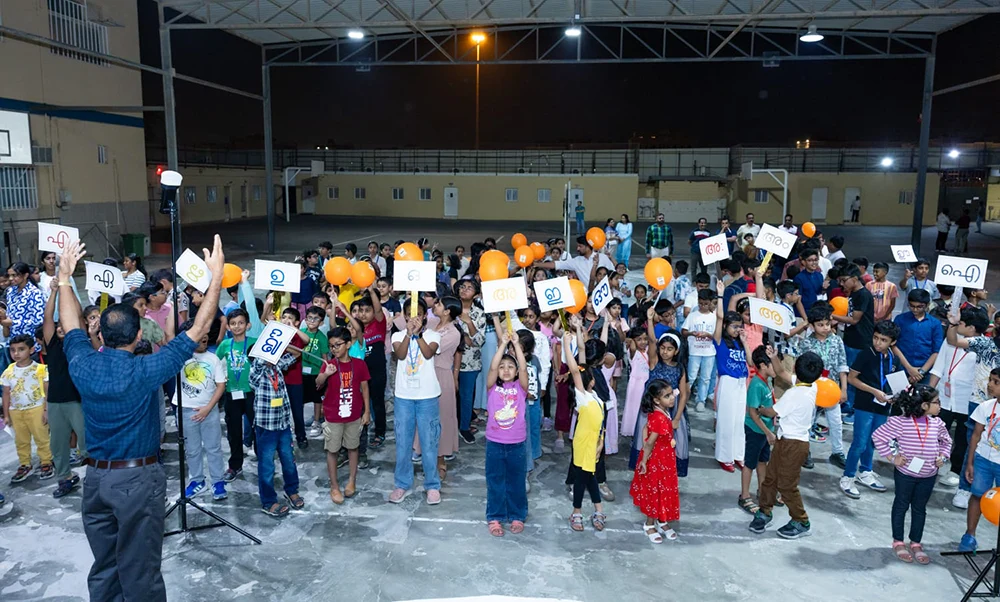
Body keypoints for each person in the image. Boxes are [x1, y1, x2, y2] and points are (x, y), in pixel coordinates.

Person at [56, 236, 224, 602]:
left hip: (95, 480)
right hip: (136, 481)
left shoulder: (83, 364)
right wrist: (215, 280)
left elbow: (70, 325)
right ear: (137, 335)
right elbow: (198, 330)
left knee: (105, 567)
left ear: (101, 333)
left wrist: (65, 278)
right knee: (140, 570)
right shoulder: (146, 370)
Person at [871, 384, 950, 564]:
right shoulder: (901, 422)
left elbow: (946, 442)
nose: (940, 406)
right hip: (905, 474)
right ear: (924, 405)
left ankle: (916, 542)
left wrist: (943, 457)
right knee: (901, 505)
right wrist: (893, 458)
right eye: (937, 402)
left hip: (929, 475)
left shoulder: (937, 423)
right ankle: (898, 541)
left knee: (919, 508)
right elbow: (878, 437)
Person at [749, 351, 824, 539]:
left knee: (787, 485)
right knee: (771, 478)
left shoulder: (794, 394)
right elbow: (782, 373)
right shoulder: (811, 385)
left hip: (794, 445)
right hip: (785, 441)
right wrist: (774, 356)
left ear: (796, 368)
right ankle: (765, 511)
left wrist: (759, 409)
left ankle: (801, 521)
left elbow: (771, 412)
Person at [389, 297, 443, 505]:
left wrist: (418, 335)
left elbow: (428, 353)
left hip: (427, 396)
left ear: (425, 316)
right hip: (404, 396)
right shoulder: (397, 335)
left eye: (418, 314)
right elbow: (401, 355)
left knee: (429, 443)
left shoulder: (433, 335)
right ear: (404, 316)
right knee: (403, 442)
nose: (414, 318)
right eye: (410, 315)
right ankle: (402, 483)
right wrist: (408, 334)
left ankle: (432, 485)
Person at [840, 320, 902, 499]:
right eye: (876, 338)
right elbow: (852, 378)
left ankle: (865, 471)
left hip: (883, 406)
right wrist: (874, 391)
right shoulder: (866, 354)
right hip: (865, 404)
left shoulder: (894, 358)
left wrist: (895, 395)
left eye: (883, 340)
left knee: (874, 440)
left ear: (892, 342)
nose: (878, 342)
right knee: (859, 442)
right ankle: (847, 476)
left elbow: (895, 381)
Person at [946, 311, 1000, 511]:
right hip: (978, 403)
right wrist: (953, 325)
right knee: (973, 445)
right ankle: (964, 488)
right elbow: (953, 341)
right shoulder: (984, 343)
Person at [174, 319, 228, 502]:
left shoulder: (213, 359)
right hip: (186, 411)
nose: (204, 337)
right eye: (200, 333)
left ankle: (218, 481)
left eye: (206, 334)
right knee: (192, 449)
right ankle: (197, 480)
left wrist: (208, 408)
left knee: (214, 448)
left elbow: (221, 385)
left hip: (209, 411)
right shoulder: (180, 357)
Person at [248, 348, 305, 517]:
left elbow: (297, 354)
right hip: (266, 427)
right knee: (267, 465)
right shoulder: (256, 372)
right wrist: (266, 351)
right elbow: (259, 364)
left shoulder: (277, 366)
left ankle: (291, 490)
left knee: (289, 460)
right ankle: (268, 501)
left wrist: (283, 344)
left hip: (283, 424)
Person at [41, 279, 85, 498]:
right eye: (58, 326)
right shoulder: (52, 345)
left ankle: (98, 479)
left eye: (64, 325)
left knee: (87, 445)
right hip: (56, 402)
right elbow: (47, 318)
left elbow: (78, 315)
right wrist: (54, 292)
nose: (60, 327)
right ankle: (65, 478)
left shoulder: (80, 344)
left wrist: (69, 290)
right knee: (58, 446)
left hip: (78, 400)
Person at [483, 330, 529, 537]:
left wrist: (516, 345)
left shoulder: (521, 387)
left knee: (516, 480)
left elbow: (524, 368)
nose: (506, 369)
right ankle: (495, 516)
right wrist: (502, 344)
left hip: (517, 443)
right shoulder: (492, 387)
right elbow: (492, 367)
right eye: (502, 367)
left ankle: (517, 515)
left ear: (517, 371)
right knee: (495, 480)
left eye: (510, 366)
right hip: (494, 442)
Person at [317, 326, 370, 505]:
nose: (334, 349)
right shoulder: (329, 364)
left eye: (338, 345)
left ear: (348, 344)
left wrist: (366, 412)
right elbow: (318, 383)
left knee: (353, 448)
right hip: (333, 416)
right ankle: (334, 486)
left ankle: (352, 480)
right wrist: (326, 374)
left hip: (354, 415)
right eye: (331, 346)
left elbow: (364, 388)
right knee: (332, 450)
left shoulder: (359, 364)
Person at [929, 309, 980, 488]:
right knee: (935, 432)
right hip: (944, 397)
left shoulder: (981, 346)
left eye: (961, 323)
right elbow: (938, 367)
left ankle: (955, 470)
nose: (957, 325)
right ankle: (930, 463)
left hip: (967, 400)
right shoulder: (950, 339)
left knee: (962, 438)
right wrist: (929, 392)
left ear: (971, 328)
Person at [562, 329, 607, 533]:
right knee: (583, 478)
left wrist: (601, 443)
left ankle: (595, 510)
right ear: (592, 380)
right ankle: (578, 512)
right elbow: (574, 369)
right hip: (582, 444)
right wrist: (566, 344)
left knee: (589, 477)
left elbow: (601, 423)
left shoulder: (595, 397)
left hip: (594, 443)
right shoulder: (582, 398)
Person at [739, 346, 790, 515]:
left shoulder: (767, 381)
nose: (777, 368)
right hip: (756, 430)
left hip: (765, 430)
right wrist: (768, 432)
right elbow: (753, 413)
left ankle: (763, 491)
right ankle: (745, 496)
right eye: (773, 364)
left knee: (763, 462)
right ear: (762, 365)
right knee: (749, 464)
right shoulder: (756, 385)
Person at [798, 304, 849, 468]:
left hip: (832, 389)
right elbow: (801, 368)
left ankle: (837, 452)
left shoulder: (837, 341)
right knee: (808, 421)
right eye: (820, 325)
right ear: (812, 326)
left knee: (836, 422)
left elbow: (842, 365)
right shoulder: (806, 343)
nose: (825, 328)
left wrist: (843, 389)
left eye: (827, 324)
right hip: (812, 389)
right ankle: (804, 452)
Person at [631, 379, 680, 543]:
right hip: (657, 461)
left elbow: (645, 428)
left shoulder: (662, 412)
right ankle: (649, 524)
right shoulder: (660, 418)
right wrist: (645, 459)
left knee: (663, 490)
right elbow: (651, 441)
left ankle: (661, 520)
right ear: (656, 400)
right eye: (667, 396)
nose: (672, 398)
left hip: (665, 459)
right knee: (655, 492)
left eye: (671, 394)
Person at [959, 368, 1000, 552]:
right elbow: (976, 435)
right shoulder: (986, 406)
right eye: (990, 380)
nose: (990, 385)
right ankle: (969, 535)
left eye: (996, 382)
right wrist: (970, 463)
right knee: (977, 495)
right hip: (983, 459)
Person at [2, 333, 52, 484]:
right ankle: (25, 463)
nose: (16, 353)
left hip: (36, 408)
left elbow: (47, 391)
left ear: (31, 350)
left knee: (41, 437)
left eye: (21, 349)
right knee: (21, 440)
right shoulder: (8, 371)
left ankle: (46, 461)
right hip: (16, 411)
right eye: (13, 350)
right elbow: (6, 393)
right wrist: (6, 414)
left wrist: (46, 410)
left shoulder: (40, 369)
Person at [216, 309, 257, 482]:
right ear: (228, 326)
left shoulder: (254, 343)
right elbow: (215, 364)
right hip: (231, 393)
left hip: (252, 393)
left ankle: (263, 459)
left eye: (241, 323)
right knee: (234, 431)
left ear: (248, 325)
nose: (237, 326)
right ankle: (235, 465)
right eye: (233, 323)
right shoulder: (225, 345)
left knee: (257, 428)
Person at [713, 280, 749, 472]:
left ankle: (738, 455)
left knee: (738, 421)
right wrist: (720, 295)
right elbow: (719, 317)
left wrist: (745, 341)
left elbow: (750, 362)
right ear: (726, 326)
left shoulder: (739, 342)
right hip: (727, 382)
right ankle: (724, 456)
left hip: (741, 382)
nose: (737, 330)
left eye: (739, 326)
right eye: (734, 326)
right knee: (726, 421)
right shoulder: (719, 341)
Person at [833, 264, 875, 424]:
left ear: (855, 278)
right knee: (847, 373)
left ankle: (855, 410)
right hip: (850, 339)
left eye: (844, 280)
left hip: (860, 341)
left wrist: (832, 316)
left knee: (854, 377)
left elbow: (854, 319)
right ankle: (848, 405)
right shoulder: (853, 293)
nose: (842, 284)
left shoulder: (863, 295)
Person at [894, 289, 943, 386]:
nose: (915, 310)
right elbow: (893, 345)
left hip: (925, 371)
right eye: (912, 306)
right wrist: (909, 368)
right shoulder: (900, 319)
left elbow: (936, 351)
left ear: (927, 305)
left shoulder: (935, 323)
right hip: (901, 368)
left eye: (919, 307)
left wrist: (921, 372)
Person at [681, 288, 718, 413]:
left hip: (709, 352)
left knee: (705, 378)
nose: (703, 306)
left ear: (710, 303)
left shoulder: (714, 318)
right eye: (700, 303)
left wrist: (708, 335)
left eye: (706, 304)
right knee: (691, 376)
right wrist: (691, 333)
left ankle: (701, 400)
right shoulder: (692, 316)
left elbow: (717, 336)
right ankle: (684, 398)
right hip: (695, 351)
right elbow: (683, 331)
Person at [535, 236, 615, 291]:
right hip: (588, 297)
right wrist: (537, 264)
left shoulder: (603, 258)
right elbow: (556, 264)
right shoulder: (576, 261)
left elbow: (613, 274)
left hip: (605, 295)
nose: (577, 249)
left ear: (587, 247)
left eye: (580, 246)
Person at [5, 262, 44, 340]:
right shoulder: (10, 291)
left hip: (29, 339)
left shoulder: (35, 293)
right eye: (9, 275)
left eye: (14, 275)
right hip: (13, 338)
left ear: (25, 275)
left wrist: (13, 322)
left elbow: (39, 321)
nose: (10, 278)